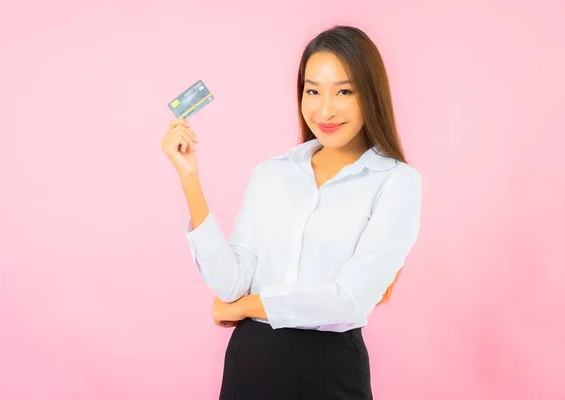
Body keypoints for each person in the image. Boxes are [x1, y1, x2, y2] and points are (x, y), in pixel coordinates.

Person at [161, 25, 422, 400]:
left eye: (344, 91)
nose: (325, 109)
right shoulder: (272, 173)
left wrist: (248, 306)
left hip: (330, 369)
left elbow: (350, 300)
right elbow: (232, 282)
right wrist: (190, 180)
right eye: (312, 90)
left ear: (371, 94)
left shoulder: (397, 182)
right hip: (250, 363)